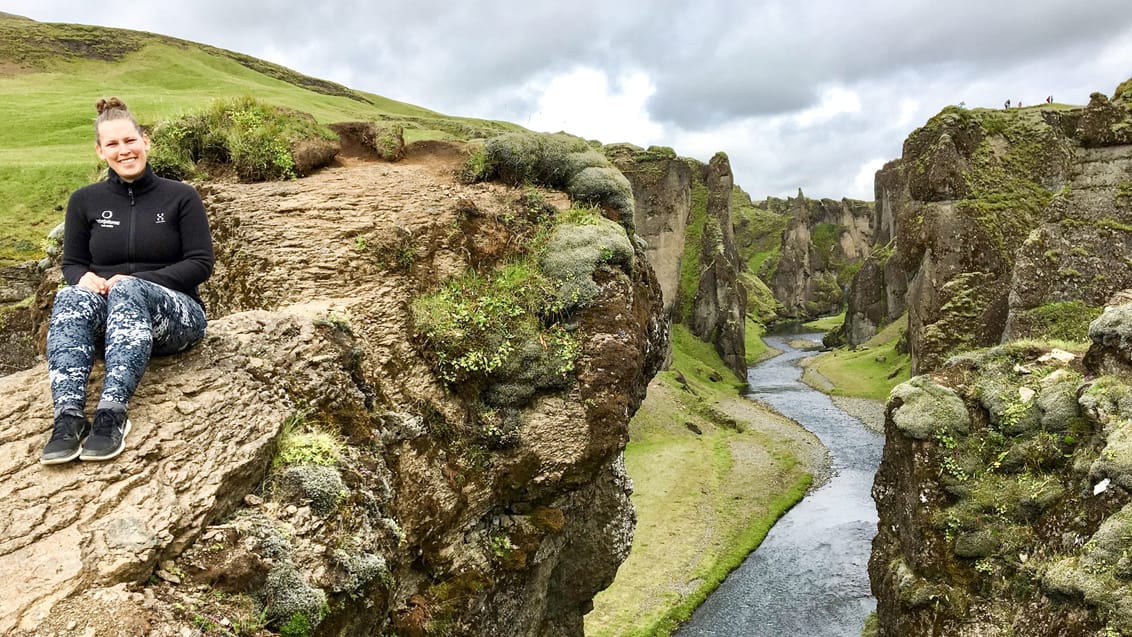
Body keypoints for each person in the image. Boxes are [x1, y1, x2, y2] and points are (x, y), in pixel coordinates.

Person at [40, 97, 214, 464]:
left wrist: (134, 281)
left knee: (131, 287)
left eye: (129, 141)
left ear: (145, 141)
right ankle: (68, 418)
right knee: (70, 297)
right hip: (112, 320)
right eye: (113, 144)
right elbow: (72, 263)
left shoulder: (181, 197)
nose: (124, 151)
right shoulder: (84, 201)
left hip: (176, 316)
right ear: (101, 151)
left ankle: (111, 414)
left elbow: (200, 264)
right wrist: (84, 278)